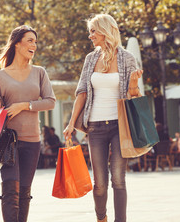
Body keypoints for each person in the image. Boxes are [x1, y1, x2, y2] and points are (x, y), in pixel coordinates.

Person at [63, 14, 142, 222]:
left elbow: (135, 96)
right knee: (99, 182)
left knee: (118, 179)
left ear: (106, 30)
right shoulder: (91, 59)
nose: (90, 36)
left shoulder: (127, 59)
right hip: (95, 127)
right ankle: (101, 218)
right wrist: (71, 123)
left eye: (93, 31)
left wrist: (133, 84)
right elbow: (82, 92)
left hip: (119, 126)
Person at [0, 25, 56, 222]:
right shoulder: (0, 75)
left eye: (35, 41)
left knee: (24, 192)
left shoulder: (39, 72)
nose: (34, 45)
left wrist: (24, 106)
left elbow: (50, 101)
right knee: (10, 191)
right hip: (8, 142)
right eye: (30, 40)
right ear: (17, 44)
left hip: (32, 140)